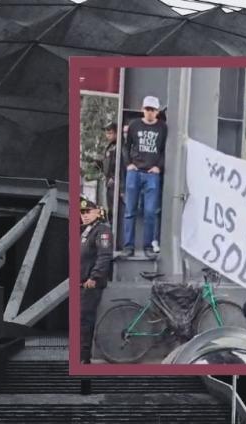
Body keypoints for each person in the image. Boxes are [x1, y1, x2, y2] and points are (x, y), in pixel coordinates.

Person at [123, 96, 167, 258]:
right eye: (147, 109)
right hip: (134, 172)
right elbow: (126, 147)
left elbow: (164, 150)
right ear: (142, 109)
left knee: (150, 211)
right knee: (130, 211)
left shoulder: (162, 128)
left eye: (153, 110)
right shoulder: (135, 125)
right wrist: (129, 164)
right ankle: (128, 246)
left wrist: (158, 167)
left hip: (152, 174)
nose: (149, 112)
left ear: (157, 112)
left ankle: (148, 245)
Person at [78, 196, 113, 364]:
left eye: (87, 212)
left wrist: (94, 277)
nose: (84, 215)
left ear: (97, 212)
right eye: (81, 212)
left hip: (89, 285)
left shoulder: (102, 231)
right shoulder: (86, 230)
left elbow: (104, 256)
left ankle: (83, 357)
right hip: (80, 283)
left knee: (84, 321)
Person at [100, 121, 119, 222]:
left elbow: (119, 164)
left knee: (114, 209)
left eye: (110, 133)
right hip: (108, 181)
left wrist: (114, 178)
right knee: (109, 209)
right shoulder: (110, 146)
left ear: (116, 133)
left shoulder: (119, 146)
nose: (108, 135)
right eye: (107, 133)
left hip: (114, 182)